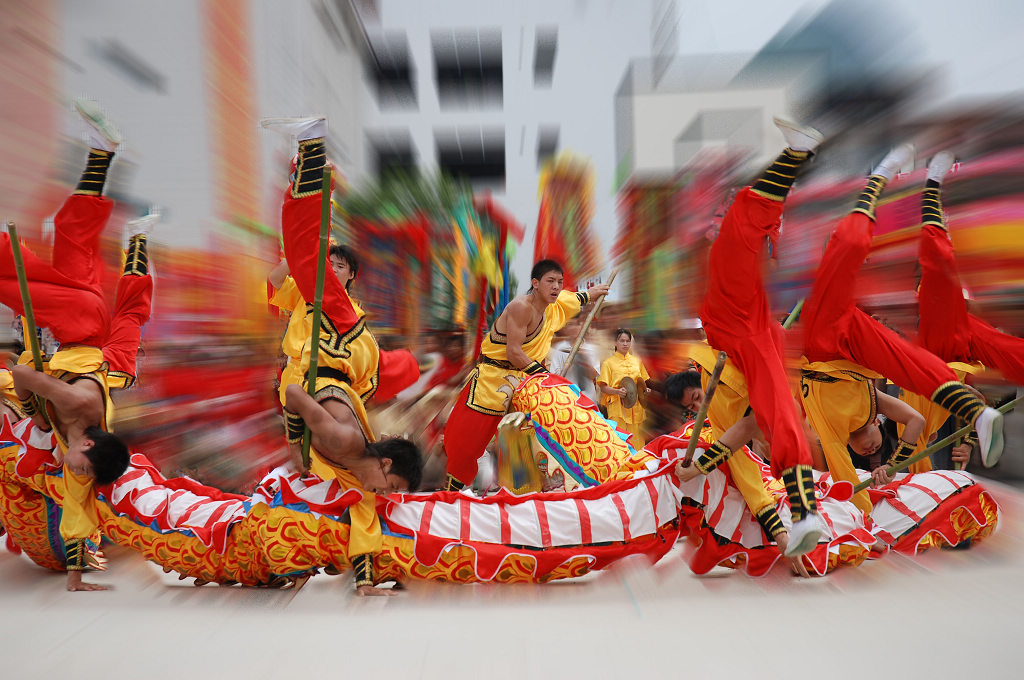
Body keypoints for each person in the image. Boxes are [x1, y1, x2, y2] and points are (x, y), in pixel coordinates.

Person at [261, 114, 422, 595]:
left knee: (348, 482)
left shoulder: (339, 302)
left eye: (341, 265)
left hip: (330, 367)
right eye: (331, 261)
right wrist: (305, 247)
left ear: (350, 276)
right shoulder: (306, 293)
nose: (334, 266)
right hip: (311, 379)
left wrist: (311, 245)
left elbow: (307, 262)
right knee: (351, 487)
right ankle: (308, 151)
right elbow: (276, 278)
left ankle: (307, 155)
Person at [799, 144, 1004, 498]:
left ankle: (879, 177)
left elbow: (837, 467)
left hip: (827, 345)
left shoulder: (854, 415)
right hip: (889, 351)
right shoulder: (878, 403)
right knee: (919, 347)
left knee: (847, 247)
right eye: (875, 450)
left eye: (868, 448)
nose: (869, 448)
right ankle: (914, 183)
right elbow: (922, 416)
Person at [0, 99, 133, 590]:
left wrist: (77, 575)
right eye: (78, 464)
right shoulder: (78, 405)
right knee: (7, 272)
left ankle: (102, 153)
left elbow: (80, 506)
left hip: (84, 318)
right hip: (75, 325)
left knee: (72, 233)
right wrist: (35, 409)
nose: (69, 470)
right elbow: (23, 376)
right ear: (91, 444)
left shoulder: (82, 448)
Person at [679, 117, 825, 557]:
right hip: (746, 328)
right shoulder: (758, 381)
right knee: (781, 411)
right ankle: (806, 512)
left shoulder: (742, 411)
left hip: (738, 321)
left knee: (743, 216)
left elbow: (740, 438)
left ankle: (796, 154)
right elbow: (752, 428)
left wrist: (699, 465)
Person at [441, 259, 609, 490]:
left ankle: (534, 493)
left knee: (533, 441)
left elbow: (574, 299)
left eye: (560, 282)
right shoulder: (522, 307)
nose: (556, 287)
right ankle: (451, 497)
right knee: (466, 448)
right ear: (535, 283)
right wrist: (545, 378)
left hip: (526, 385)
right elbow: (514, 352)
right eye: (550, 281)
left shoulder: (554, 306)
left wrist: (590, 294)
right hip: (494, 382)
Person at [597, 328, 651, 448]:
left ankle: (638, 463)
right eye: (622, 341)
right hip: (617, 407)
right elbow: (603, 387)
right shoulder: (608, 363)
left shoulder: (637, 361)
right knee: (620, 439)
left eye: (627, 341)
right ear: (615, 342)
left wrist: (645, 390)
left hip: (636, 406)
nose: (625, 344)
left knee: (638, 439)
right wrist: (617, 391)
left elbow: (642, 382)